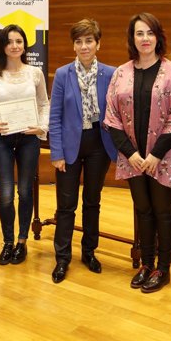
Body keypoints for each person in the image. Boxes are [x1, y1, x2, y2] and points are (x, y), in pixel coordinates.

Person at [104, 12, 171, 293]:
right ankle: (147, 264)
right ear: (132, 38)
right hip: (133, 159)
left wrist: (154, 156)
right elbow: (111, 118)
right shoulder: (121, 73)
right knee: (143, 210)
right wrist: (132, 155)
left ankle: (163, 267)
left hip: (163, 158)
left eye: (150, 33)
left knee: (163, 211)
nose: (145, 39)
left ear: (158, 36)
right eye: (139, 33)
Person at [48, 19, 118, 284]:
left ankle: (89, 251)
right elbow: (55, 117)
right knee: (66, 206)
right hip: (69, 147)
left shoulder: (111, 74)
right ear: (73, 45)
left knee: (92, 201)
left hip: (99, 144)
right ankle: (62, 257)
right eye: (79, 41)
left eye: (89, 40)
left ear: (98, 44)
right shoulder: (63, 74)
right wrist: (56, 152)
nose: (84, 46)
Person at [0, 24, 49, 266]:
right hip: (1, 138)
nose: (14, 45)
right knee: (6, 195)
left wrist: (42, 128)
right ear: (2, 45)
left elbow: (44, 103)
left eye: (18, 41)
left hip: (28, 138)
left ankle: (22, 242)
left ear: (24, 45)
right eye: (9, 41)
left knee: (25, 191)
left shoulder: (35, 73)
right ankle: (7, 242)